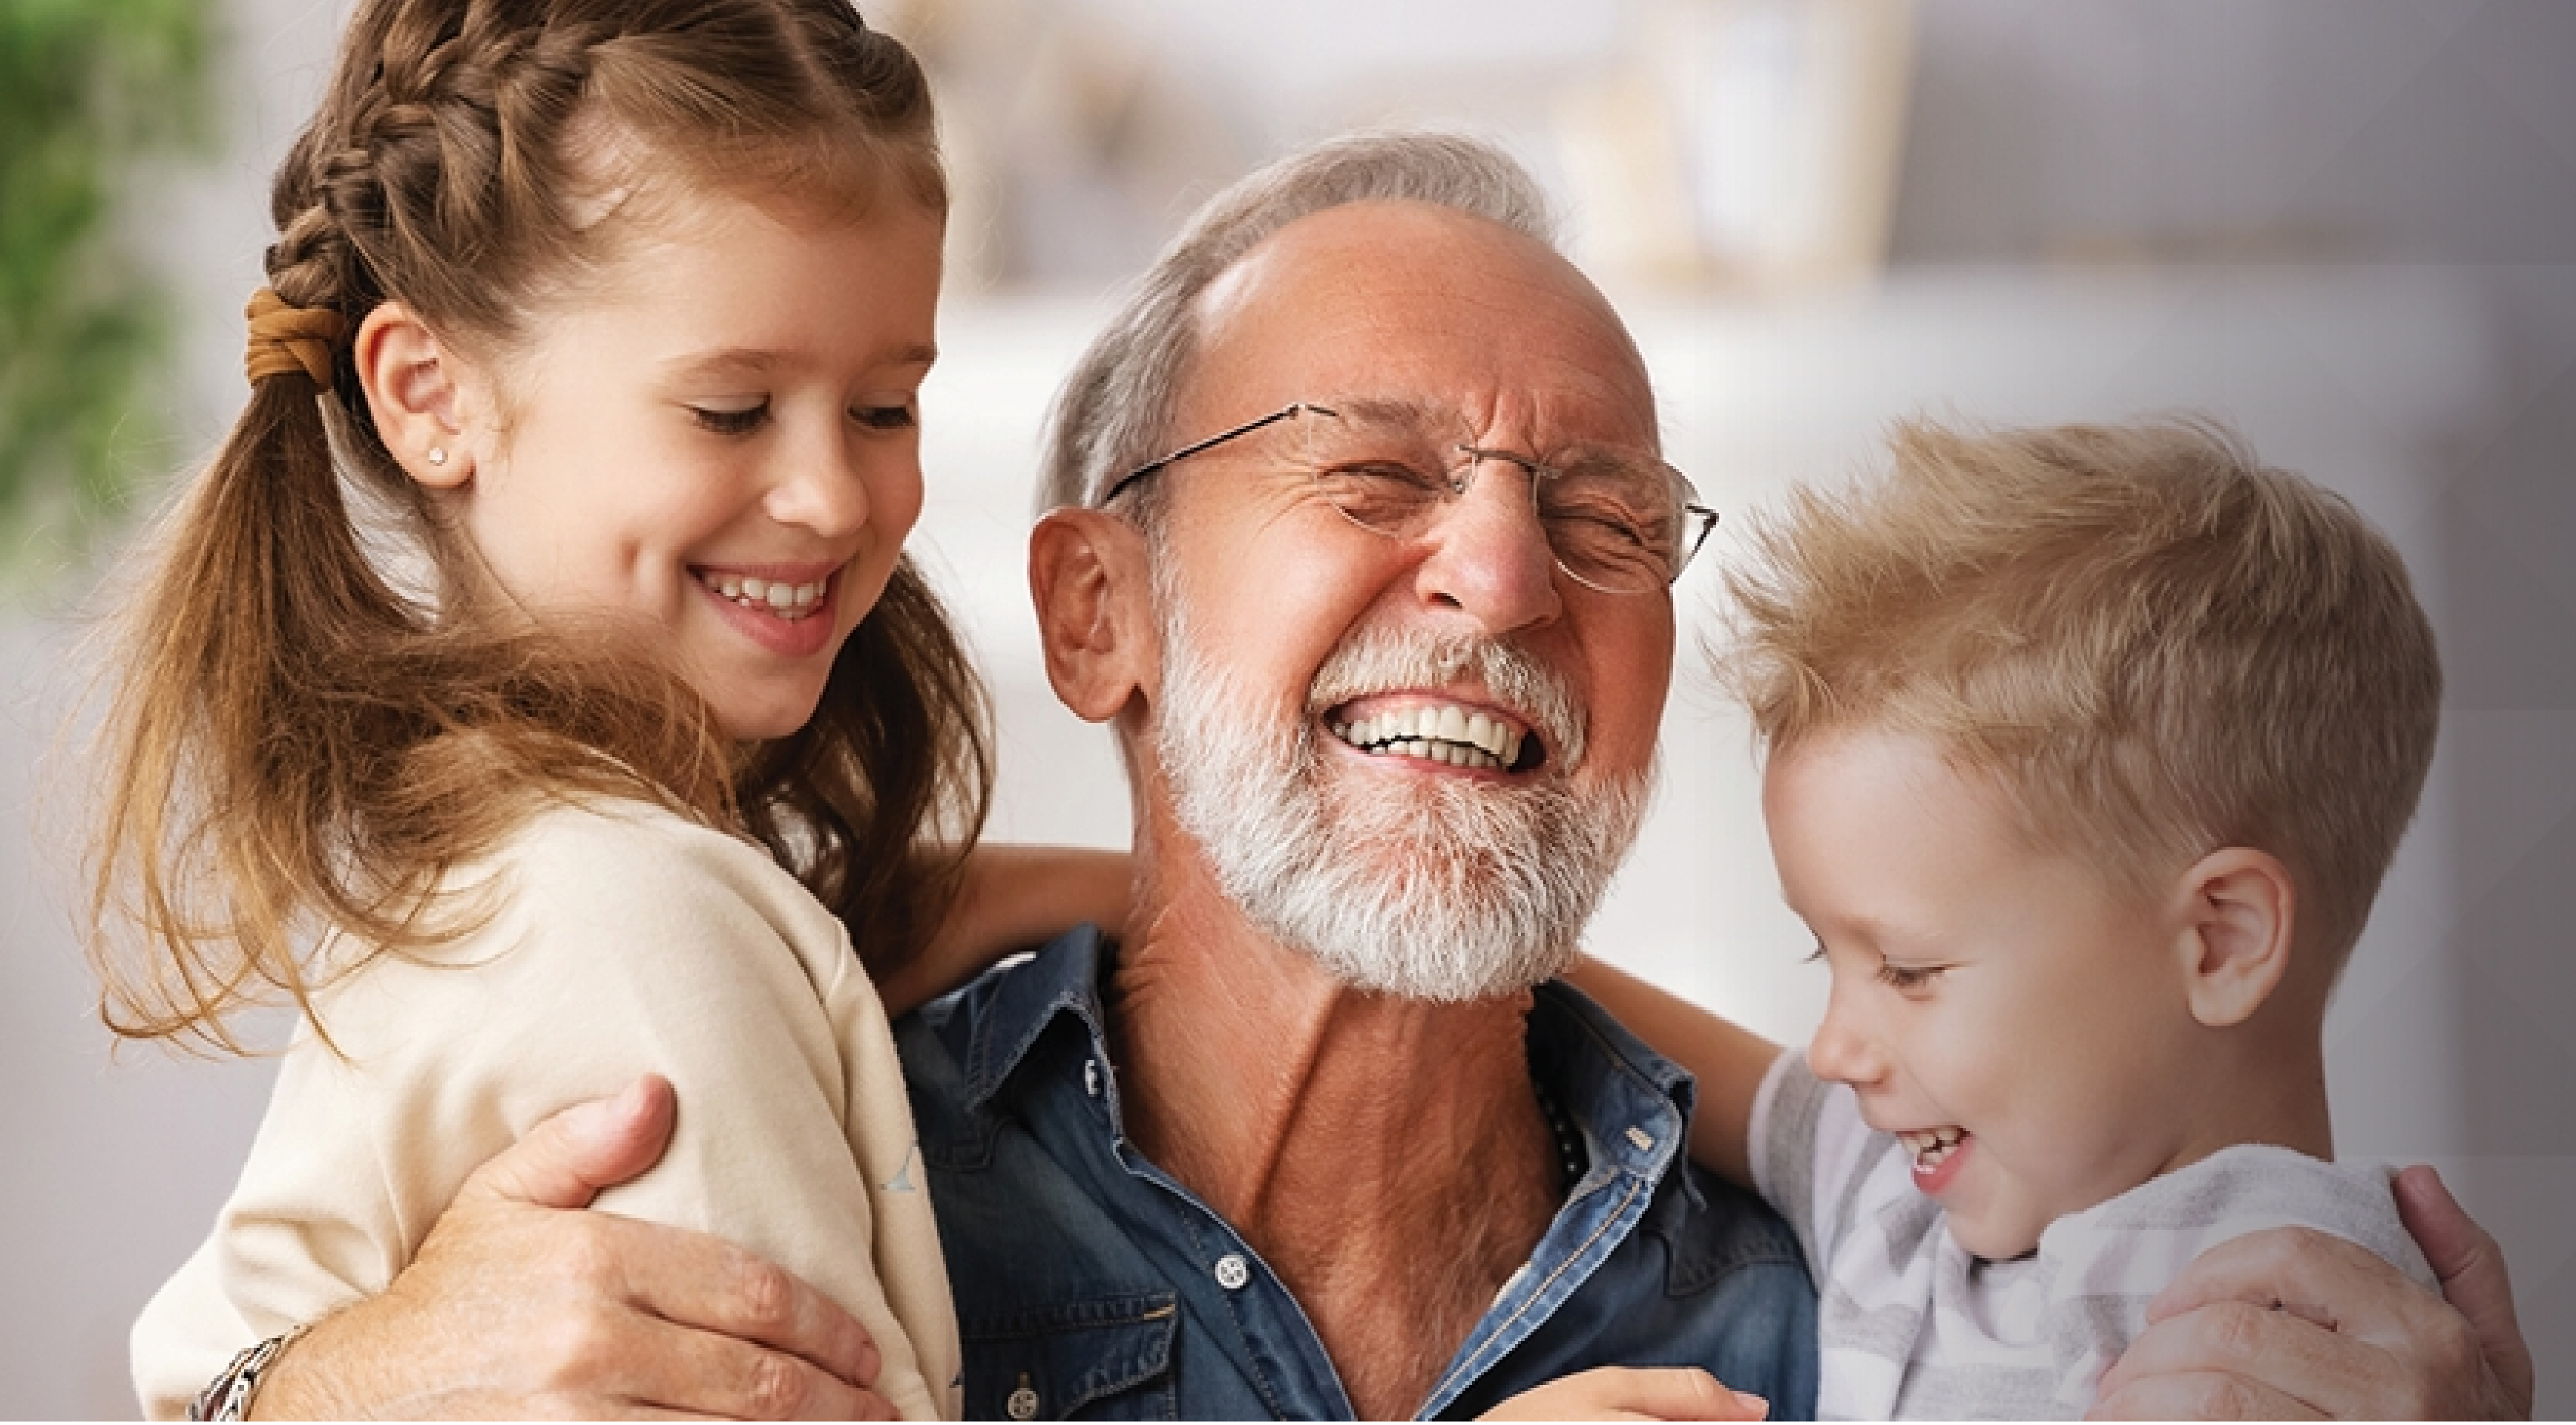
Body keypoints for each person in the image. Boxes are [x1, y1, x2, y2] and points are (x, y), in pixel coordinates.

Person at [216, 133, 2537, 1422]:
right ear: (1096, 613)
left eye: (1609, 510)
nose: (1511, 571)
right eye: (1371, 472)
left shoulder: (1909, 1287)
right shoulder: (802, 1159)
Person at [88, 2, 1121, 1419]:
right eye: (731, 410)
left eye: (885, 409)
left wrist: (1169, 907)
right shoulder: (644, 930)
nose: (833, 496)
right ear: (428, 394)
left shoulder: (523, 871)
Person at [1570, 416, 2451, 1417]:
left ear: (2221, 940)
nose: (1833, 1050)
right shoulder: (1898, 1189)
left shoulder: (2287, 1322)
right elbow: (1553, 986)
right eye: (1830, 956)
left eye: (1907, 970)